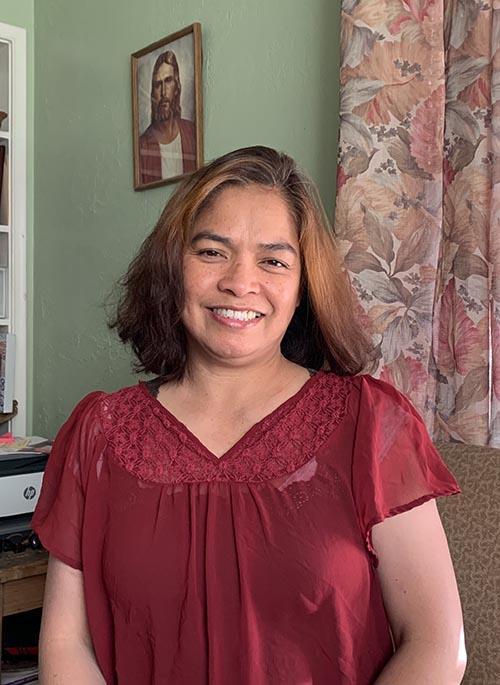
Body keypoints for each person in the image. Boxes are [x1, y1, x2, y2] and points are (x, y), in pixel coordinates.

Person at [32, 146, 466, 685]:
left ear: (304, 285)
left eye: (273, 260)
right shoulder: (97, 434)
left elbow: (437, 646)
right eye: (213, 252)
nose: (241, 282)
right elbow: (65, 648)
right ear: (174, 266)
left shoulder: (372, 424)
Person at [138, 50, 197, 184]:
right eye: (158, 85)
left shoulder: (191, 132)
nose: (164, 92)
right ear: (153, 93)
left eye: (168, 81)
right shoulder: (143, 146)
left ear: (176, 87)